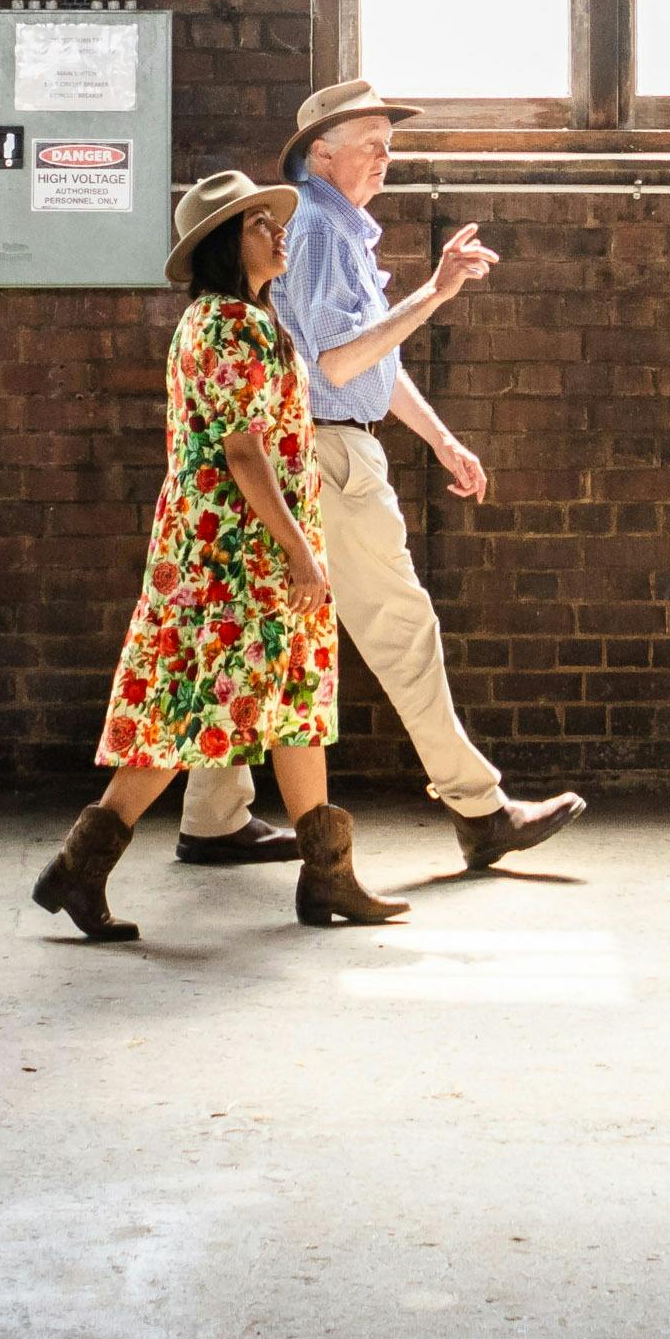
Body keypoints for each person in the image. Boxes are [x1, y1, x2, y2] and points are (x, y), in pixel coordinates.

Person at [173, 79, 587, 876]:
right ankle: (480, 808)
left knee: (261, 629)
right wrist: (436, 290)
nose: (387, 153)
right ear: (318, 151)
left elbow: (369, 357)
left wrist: (439, 438)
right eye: (372, 138)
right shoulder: (318, 226)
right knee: (401, 628)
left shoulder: (331, 230)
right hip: (329, 455)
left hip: (318, 444)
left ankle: (214, 818)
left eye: (389, 139)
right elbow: (334, 362)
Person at [29, 169, 420, 942]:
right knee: (188, 716)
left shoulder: (246, 320)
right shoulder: (226, 328)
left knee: (293, 706)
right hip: (231, 562)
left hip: (249, 557)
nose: (278, 234)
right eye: (257, 226)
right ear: (221, 245)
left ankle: (328, 879)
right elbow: (244, 454)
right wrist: (303, 552)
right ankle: (79, 867)